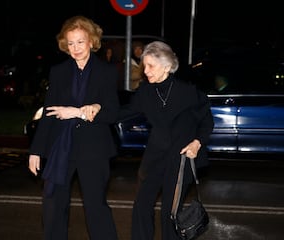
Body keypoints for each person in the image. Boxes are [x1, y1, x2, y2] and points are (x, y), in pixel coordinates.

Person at [28, 15, 119, 240]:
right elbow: (49, 112)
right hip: (62, 147)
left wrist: (85, 110)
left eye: (80, 42)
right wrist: (36, 151)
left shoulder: (106, 72)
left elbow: (113, 112)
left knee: (95, 207)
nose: (75, 48)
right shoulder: (59, 71)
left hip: (94, 149)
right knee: (53, 206)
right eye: (70, 43)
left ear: (91, 41)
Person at [123, 41, 214, 239]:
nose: (145, 71)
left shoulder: (188, 92)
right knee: (141, 205)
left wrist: (197, 143)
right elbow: (123, 111)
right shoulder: (146, 92)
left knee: (169, 213)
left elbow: (207, 122)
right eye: (144, 66)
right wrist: (92, 111)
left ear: (166, 66)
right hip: (155, 159)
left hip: (180, 159)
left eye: (150, 66)